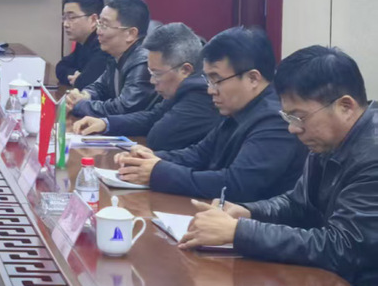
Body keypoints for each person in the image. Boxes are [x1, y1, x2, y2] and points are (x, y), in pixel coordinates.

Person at [181, 46, 378, 286]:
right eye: (288, 117)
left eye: (299, 117)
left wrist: (240, 232)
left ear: (345, 106)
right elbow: (298, 203)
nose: (293, 129)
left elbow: (342, 248)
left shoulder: (372, 154)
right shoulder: (328, 139)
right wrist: (248, 212)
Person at [115, 27, 306, 201]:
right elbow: (200, 154)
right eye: (208, 80)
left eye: (217, 80)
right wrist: (152, 159)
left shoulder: (275, 120)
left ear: (253, 78)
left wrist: (159, 173)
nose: (210, 90)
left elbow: (237, 185)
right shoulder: (240, 109)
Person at [73, 23, 221, 151]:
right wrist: (106, 123)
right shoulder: (184, 85)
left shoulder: (201, 91)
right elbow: (152, 117)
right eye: (151, 73)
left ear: (185, 70)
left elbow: (159, 138)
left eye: (157, 74)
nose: (152, 80)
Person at [66, 0, 158, 118]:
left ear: (130, 33)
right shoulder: (116, 55)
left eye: (104, 25)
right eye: (99, 23)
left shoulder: (143, 62)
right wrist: (84, 95)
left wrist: (80, 105)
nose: (98, 31)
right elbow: (99, 87)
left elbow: (124, 108)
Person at [55, 0, 111, 90]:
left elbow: (87, 82)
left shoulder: (103, 44)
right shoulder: (83, 42)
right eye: (64, 18)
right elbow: (60, 67)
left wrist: (80, 79)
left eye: (71, 17)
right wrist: (76, 76)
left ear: (93, 20)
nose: (65, 24)